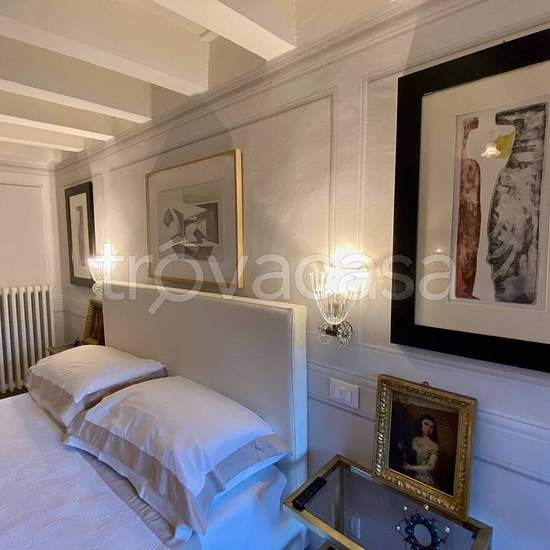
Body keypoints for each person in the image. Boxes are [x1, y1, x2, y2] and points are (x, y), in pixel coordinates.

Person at [402, 414, 440, 488]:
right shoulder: (413, 439)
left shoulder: (434, 446)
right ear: (420, 423)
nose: (428, 428)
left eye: (431, 427)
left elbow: (431, 466)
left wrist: (411, 467)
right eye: (426, 424)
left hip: (424, 478)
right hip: (408, 475)